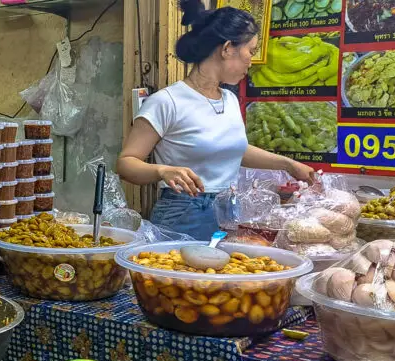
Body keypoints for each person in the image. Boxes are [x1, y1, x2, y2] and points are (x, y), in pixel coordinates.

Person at [116, 0, 317, 240]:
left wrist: (289, 165)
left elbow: (235, 149)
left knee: (227, 276)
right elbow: (126, 163)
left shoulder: (229, 100)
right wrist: (162, 170)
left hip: (228, 210)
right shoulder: (167, 101)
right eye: (250, 52)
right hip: (184, 213)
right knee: (181, 277)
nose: (251, 62)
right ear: (227, 48)